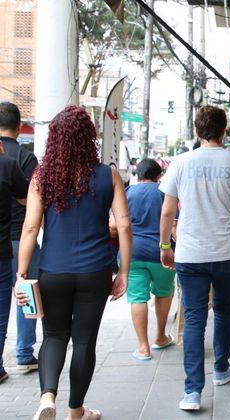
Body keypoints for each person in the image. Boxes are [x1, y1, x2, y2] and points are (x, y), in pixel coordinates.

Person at [15, 105, 132, 420]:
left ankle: (47, 397)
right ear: (88, 138)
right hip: (95, 272)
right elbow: (123, 225)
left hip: (53, 270)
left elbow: (30, 228)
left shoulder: (42, 177)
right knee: (84, 342)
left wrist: (21, 273)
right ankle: (76, 411)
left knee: (53, 335)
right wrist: (123, 271)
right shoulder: (108, 175)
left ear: (54, 139)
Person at [158, 105, 230, 411]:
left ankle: (192, 393)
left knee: (195, 318)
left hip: (191, 253)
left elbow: (167, 211)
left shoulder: (181, 162)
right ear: (224, 130)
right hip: (227, 251)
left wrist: (164, 247)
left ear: (197, 131)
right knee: (225, 309)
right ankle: (221, 369)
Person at [122, 158, 176, 360]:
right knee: (163, 293)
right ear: (158, 175)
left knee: (137, 297)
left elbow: (115, 223)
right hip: (160, 252)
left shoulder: (127, 193)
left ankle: (143, 347)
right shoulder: (164, 192)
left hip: (132, 253)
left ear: (138, 174)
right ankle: (160, 337)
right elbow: (173, 223)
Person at [0, 101, 39, 373]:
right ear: (18, 126)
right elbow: (34, 201)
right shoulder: (26, 158)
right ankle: (25, 352)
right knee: (26, 292)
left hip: (4, 241)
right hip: (22, 237)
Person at [0, 139, 29, 384]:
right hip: (5, 246)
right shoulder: (8, 164)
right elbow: (27, 200)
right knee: (3, 310)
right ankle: (15, 358)